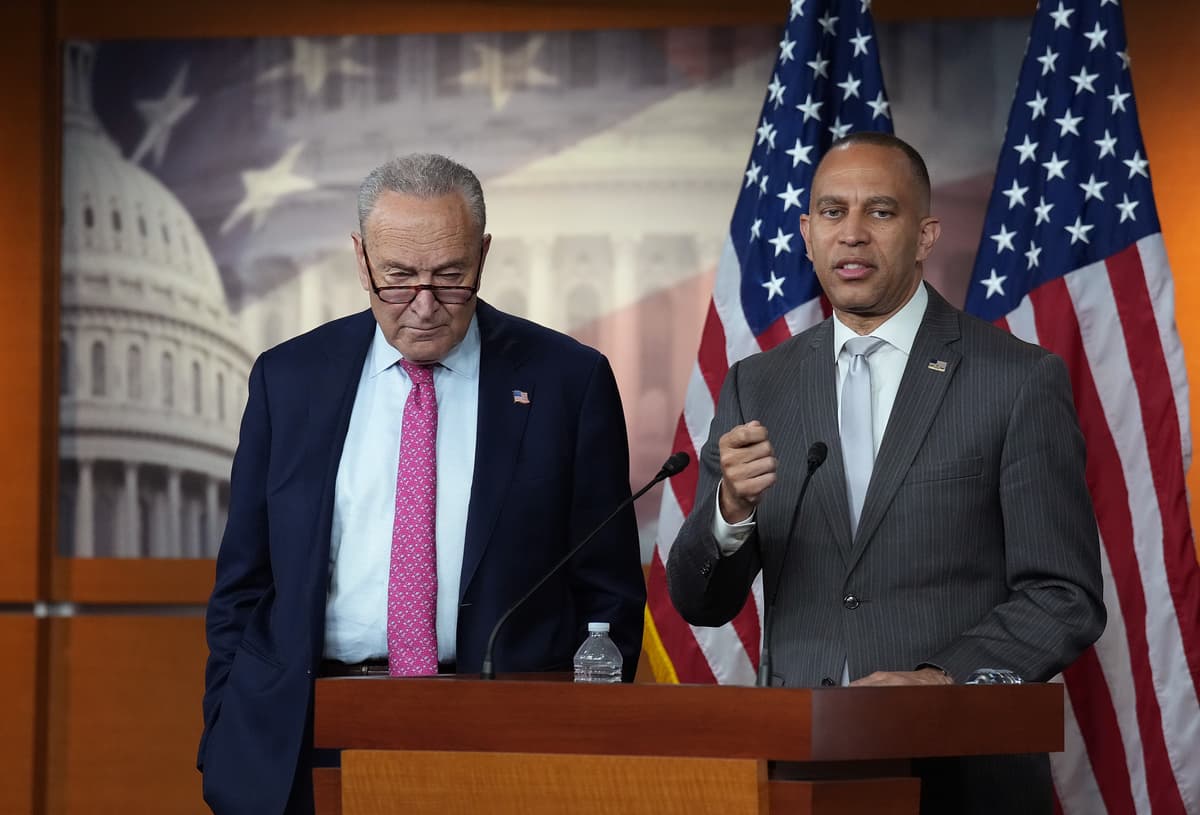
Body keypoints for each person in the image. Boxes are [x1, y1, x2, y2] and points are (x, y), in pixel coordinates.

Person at [666, 132, 1105, 814]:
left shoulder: (1017, 380)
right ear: (807, 234)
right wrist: (729, 510)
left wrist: (941, 679)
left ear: (926, 234)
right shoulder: (759, 385)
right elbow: (702, 600)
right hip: (794, 768)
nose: (852, 235)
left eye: (880, 211)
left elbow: (1064, 593)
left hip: (959, 771)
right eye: (832, 212)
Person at [199, 153, 646, 815]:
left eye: (451, 277)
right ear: (361, 259)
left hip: (506, 741)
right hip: (307, 733)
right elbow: (244, 582)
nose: (426, 306)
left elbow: (607, 593)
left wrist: (575, 736)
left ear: (483, 255)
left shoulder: (566, 383)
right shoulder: (288, 380)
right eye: (399, 279)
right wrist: (227, 723)